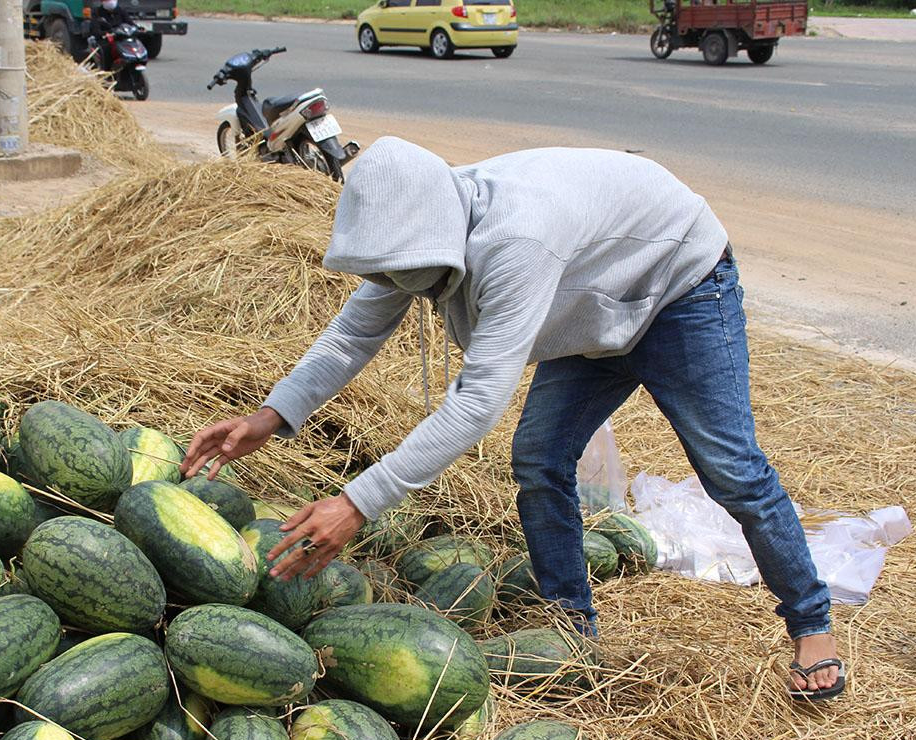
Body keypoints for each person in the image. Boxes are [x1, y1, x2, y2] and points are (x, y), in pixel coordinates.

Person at [180, 136, 845, 702]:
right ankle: (570, 626)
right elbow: (354, 334)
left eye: (403, 272)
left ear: (433, 240)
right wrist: (271, 416)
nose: (395, 283)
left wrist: (358, 502)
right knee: (539, 458)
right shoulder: (418, 229)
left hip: (676, 287)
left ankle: (811, 622)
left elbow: (476, 403)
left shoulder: (517, 241)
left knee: (731, 470)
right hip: (587, 303)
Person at [89, 0, 135, 71]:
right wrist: (105, 33)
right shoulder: (97, 12)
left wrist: (138, 29)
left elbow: (130, 23)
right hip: (105, 39)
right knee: (106, 49)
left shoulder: (120, 10)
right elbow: (95, 30)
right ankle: (106, 72)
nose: (111, 1)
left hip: (120, 37)